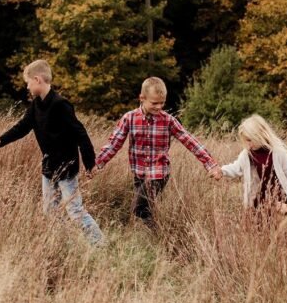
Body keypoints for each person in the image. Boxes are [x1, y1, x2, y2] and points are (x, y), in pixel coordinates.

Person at [0, 59, 103, 246]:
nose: (27, 87)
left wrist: (90, 163)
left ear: (38, 79)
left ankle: (100, 244)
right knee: (50, 211)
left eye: (28, 82)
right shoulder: (36, 105)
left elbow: (81, 133)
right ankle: (64, 245)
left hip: (66, 166)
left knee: (75, 210)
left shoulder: (61, 104)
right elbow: (22, 127)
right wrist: (0, 140)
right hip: (48, 167)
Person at [89, 77, 222, 227]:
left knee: (138, 208)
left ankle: (158, 233)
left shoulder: (168, 120)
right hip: (139, 172)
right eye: (154, 103)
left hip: (159, 173)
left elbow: (190, 141)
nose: (159, 107)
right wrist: (97, 164)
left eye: (162, 103)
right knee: (146, 211)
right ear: (142, 98)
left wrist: (210, 164)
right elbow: (114, 144)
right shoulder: (129, 118)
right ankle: (159, 235)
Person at [220, 114, 287, 221]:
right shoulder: (247, 154)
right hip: (259, 201)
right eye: (245, 141)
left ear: (260, 135)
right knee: (260, 229)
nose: (248, 144)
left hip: (280, 201)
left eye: (249, 140)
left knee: (279, 230)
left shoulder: (278, 152)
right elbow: (236, 168)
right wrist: (222, 171)